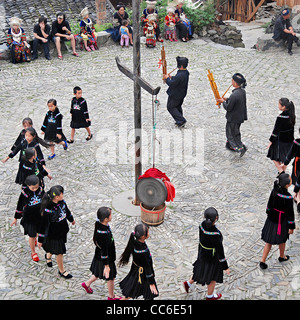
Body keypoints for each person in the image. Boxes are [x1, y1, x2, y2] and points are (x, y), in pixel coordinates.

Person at [183, 207, 230, 300]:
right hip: (212, 259)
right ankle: (210, 296)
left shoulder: (201, 226)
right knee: (213, 277)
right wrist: (225, 266)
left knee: (199, 270)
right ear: (216, 218)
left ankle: (188, 283)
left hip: (202, 255)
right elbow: (220, 251)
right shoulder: (216, 234)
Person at [81, 207, 121, 300]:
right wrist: (107, 266)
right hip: (106, 259)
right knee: (110, 277)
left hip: (100, 257)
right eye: (110, 215)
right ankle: (111, 297)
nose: (112, 216)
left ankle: (86, 284)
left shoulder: (101, 225)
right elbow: (104, 251)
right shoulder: (102, 233)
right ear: (106, 219)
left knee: (98, 273)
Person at [38, 185, 75, 278]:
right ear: (57, 196)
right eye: (62, 193)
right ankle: (62, 271)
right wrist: (40, 240)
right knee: (59, 252)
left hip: (62, 230)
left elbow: (67, 212)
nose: (63, 195)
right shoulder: (48, 209)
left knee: (55, 248)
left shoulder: (62, 202)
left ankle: (48, 256)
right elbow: (43, 225)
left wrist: (71, 220)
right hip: (54, 234)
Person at [259, 172, 295, 269]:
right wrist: (291, 227)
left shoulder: (274, 190)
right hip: (281, 221)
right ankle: (282, 256)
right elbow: (290, 213)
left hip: (271, 219)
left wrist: (268, 212)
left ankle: (262, 260)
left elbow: (269, 203)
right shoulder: (288, 197)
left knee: (268, 241)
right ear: (287, 185)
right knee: (282, 240)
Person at [118, 223, 159, 300]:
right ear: (143, 236)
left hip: (136, 271)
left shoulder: (135, 242)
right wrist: (151, 283)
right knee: (149, 294)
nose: (149, 233)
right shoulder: (142, 251)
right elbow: (147, 267)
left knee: (132, 291)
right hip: (143, 275)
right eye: (148, 232)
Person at [11, 175, 44, 262]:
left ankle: (35, 239)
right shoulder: (24, 193)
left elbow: (45, 200)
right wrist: (16, 218)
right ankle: (33, 252)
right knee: (32, 235)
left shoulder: (40, 190)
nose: (35, 189)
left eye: (36, 187)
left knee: (37, 232)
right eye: (33, 188)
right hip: (29, 218)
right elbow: (20, 205)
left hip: (39, 216)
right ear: (28, 185)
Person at [216, 73, 248, 157]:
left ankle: (239, 148)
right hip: (239, 117)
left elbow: (228, 107)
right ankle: (232, 145)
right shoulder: (242, 91)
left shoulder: (234, 95)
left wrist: (223, 102)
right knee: (235, 132)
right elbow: (235, 102)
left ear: (234, 82)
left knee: (231, 133)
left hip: (233, 118)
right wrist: (227, 99)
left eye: (232, 81)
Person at [267, 98, 295, 172]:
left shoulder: (280, 118)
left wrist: (271, 141)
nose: (278, 106)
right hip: (289, 140)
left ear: (283, 107)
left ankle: (281, 171)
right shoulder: (292, 115)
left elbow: (276, 130)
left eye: (279, 104)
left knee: (273, 156)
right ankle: (283, 171)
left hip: (280, 141)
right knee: (284, 159)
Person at [162, 56, 189, 128]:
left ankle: (181, 120)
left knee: (170, 107)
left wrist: (167, 78)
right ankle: (179, 121)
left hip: (175, 94)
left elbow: (172, 84)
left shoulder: (180, 75)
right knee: (177, 107)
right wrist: (172, 77)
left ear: (181, 66)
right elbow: (177, 80)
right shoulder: (185, 72)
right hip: (181, 93)